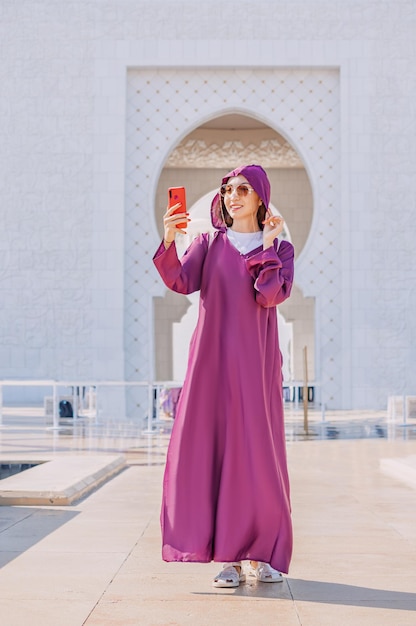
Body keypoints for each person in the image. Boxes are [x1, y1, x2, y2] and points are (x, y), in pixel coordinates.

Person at [153, 164, 294, 588]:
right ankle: (229, 559)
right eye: (228, 190)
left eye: (244, 190)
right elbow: (179, 280)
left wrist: (266, 247)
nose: (233, 196)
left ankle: (261, 553)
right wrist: (169, 239)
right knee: (213, 454)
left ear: (260, 198)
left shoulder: (280, 250)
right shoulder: (208, 243)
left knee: (258, 457)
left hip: (256, 364)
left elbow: (270, 294)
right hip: (211, 363)